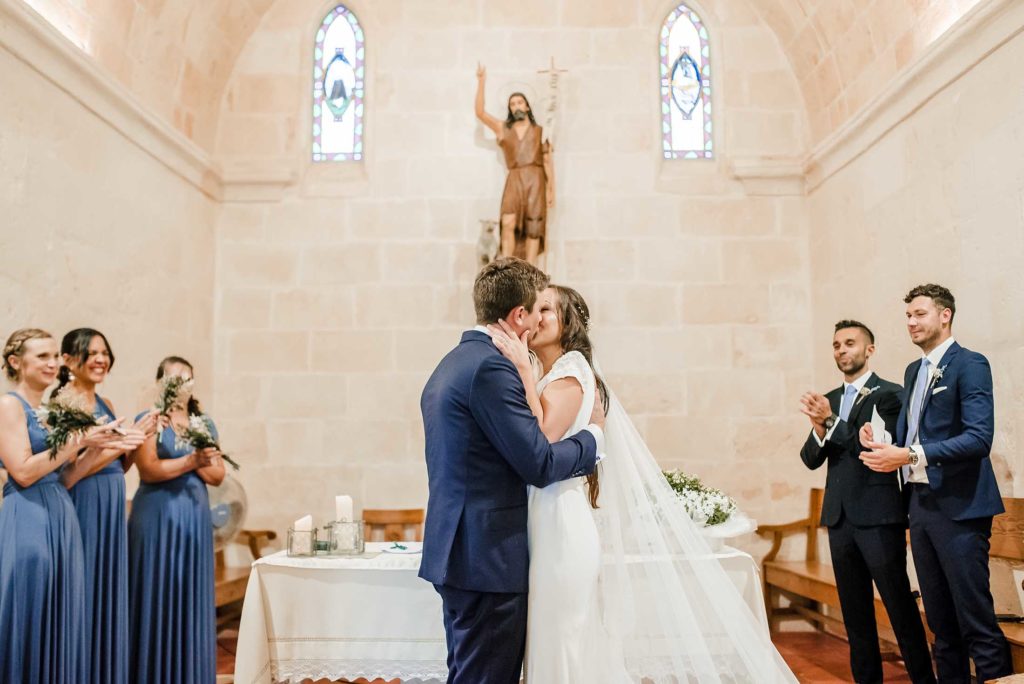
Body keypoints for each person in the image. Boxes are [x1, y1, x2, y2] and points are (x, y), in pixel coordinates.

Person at [489, 286, 796, 682]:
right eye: (535, 308)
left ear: (569, 322)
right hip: (549, 517)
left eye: (547, 309)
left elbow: (543, 440)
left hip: (561, 522)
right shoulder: (557, 375)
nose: (537, 315)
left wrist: (523, 372)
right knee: (557, 635)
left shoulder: (571, 371)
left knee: (562, 635)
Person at [419, 257, 604, 684]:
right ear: (518, 314)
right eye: (536, 309)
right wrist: (593, 440)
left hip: (466, 550)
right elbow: (538, 462)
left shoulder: (455, 361)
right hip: (487, 557)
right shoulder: (490, 368)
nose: (539, 319)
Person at [860, 284, 1011, 682]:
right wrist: (885, 443)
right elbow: (915, 436)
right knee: (941, 626)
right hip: (921, 507)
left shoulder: (970, 363)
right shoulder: (915, 370)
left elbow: (979, 438)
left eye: (920, 314)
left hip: (960, 508)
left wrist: (909, 455)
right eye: (908, 316)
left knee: (974, 620)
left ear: (945, 315)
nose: (911, 322)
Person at [799, 320, 934, 684]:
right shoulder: (830, 398)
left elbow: (869, 448)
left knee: (899, 607)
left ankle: (923, 678)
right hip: (840, 519)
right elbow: (810, 459)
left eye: (849, 343)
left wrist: (829, 419)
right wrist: (818, 428)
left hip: (879, 517)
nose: (841, 350)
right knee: (855, 614)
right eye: (836, 345)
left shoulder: (890, 394)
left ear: (869, 350)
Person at [0, 328, 136, 682]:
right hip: (28, 514)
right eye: (41, 356)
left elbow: (67, 473)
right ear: (16, 362)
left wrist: (109, 446)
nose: (52, 362)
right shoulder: (8, 405)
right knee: (33, 610)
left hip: (63, 512)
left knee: (64, 614)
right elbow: (25, 472)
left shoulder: (48, 410)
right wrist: (80, 439)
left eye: (53, 355)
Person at [55, 328, 152, 684]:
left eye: (104, 352)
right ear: (68, 360)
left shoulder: (106, 404)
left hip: (112, 504)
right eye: (90, 352)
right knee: (85, 587)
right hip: (83, 503)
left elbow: (118, 466)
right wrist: (115, 446)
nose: (100, 359)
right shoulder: (63, 403)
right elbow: (68, 472)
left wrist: (132, 446)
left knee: (108, 591)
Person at [129, 356, 224, 683]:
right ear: (160, 382)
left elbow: (217, 475)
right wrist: (195, 458)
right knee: (157, 592)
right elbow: (150, 470)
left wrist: (192, 458)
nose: (180, 384)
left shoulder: (204, 423)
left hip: (194, 520)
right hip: (158, 517)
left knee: (189, 594)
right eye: (173, 378)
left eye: (187, 378)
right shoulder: (151, 420)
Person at [475, 64, 554, 265]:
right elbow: (480, 112)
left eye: (520, 102)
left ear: (527, 106)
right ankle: (508, 267)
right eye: (512, 104)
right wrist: (482, 81)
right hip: (515, 178)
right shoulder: (503, 128)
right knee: (508, 222)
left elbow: (547, 160)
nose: (516, 106)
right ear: (510, 109)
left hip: (536, 179)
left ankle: (530, 270)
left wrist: (552, 188)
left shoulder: (540, 130)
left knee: (533, 225)